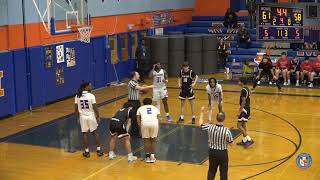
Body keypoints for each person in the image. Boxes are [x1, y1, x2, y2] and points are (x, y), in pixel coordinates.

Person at [199, 106, 233, 180]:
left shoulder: (210, 127)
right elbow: (231, 143)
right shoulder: (227, 131)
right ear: (224, 119)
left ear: (216, 118)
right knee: (223, 172)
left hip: (212, 152)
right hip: (222, 153)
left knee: (211, 170)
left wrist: (202, 112)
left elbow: (200, 124)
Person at [74, 81, 103, 158]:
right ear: (86, 87)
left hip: (82, 117)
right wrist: (98, 116)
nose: (91, 87)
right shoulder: (91, 96)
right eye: (90, 86)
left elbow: (76, 108)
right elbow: (95, 107)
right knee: (95, 133)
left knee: (84, 134)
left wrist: (77, 117)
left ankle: (87, 152)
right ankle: (99, 151)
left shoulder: (77, 96)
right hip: (91, 116)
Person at [127, 71, 153, 137]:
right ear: (134, 76)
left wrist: (142, 92)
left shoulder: (136, 82)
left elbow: (138, 91)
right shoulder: (131, 82)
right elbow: (140, 88)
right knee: (132, 118)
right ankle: (128, 133)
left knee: (136, 117)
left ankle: (136, 133)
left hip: (136, 102)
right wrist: (151, 86)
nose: (139, 75)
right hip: (132, 102)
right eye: (138, 74)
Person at [137, 98, 160, 163]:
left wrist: (140, 128)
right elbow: (158, 118)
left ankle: (147, 157)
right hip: (154, 123)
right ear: (151, 102)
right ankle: (152, 157)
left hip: (144, 123)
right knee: (153, 140)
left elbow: (138, 119)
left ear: (143, 103)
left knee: (146, 141)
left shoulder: (140, 108)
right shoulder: (155, 108)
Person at [236, 77, 254, 148]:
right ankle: (244, 140)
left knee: (239, 125)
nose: (238, 83)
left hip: (244, 109)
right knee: (243, 124)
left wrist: (239, 111)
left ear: (242, 82)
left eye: (239, 81)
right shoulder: (247, 88)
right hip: (247, 108)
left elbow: (243, 102)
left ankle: (249, 139)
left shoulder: (243, 90)